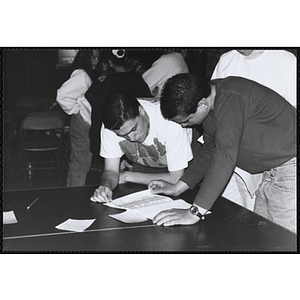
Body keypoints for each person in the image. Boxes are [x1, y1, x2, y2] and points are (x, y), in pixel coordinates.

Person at [149, 74, 296, 233]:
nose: (185, 126)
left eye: (186, 120)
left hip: (290, 169)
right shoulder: (210, 99)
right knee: (264, 235)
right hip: (273, 172)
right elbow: (211, 149)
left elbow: (225, 156)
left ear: (202, 104)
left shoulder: (231, 98)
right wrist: (178, 187)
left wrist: (195, 212)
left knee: (286, 239)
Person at [211, 49, 297, 210]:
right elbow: (213, 105)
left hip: (271, 156)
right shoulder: (226, 59)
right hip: (233, 154)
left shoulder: (285, 59)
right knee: (231, 210)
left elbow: (292, 113)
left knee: (258, 212)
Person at [90, 91, 193, 203]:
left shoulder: (169, 122)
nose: (132, 138)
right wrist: (106, 186)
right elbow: (111, 171)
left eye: (134, 129)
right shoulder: (111, 128)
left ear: (141, 111)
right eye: (123, 135)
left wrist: (126, 176)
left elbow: (176, 179)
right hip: (145, 164)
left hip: (184, 165)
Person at [85, 49, 152, 155]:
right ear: (126, 60)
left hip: (112, 137)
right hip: (138, 140)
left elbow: (90, 98)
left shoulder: (104, 81)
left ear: (110, 63)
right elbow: (148, 102)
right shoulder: (137, 79)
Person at [56, 50, 99, 186]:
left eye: (98, 58)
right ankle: (75, 199)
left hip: (83, 123)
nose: (96, 61)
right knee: (81, 166)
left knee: (78, 164)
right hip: (82, 123)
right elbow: (61, 95)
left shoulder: (83, 74)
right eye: (93, 57)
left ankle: (71, 197)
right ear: (85, 58)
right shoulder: (82, 74)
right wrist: (76, 110)